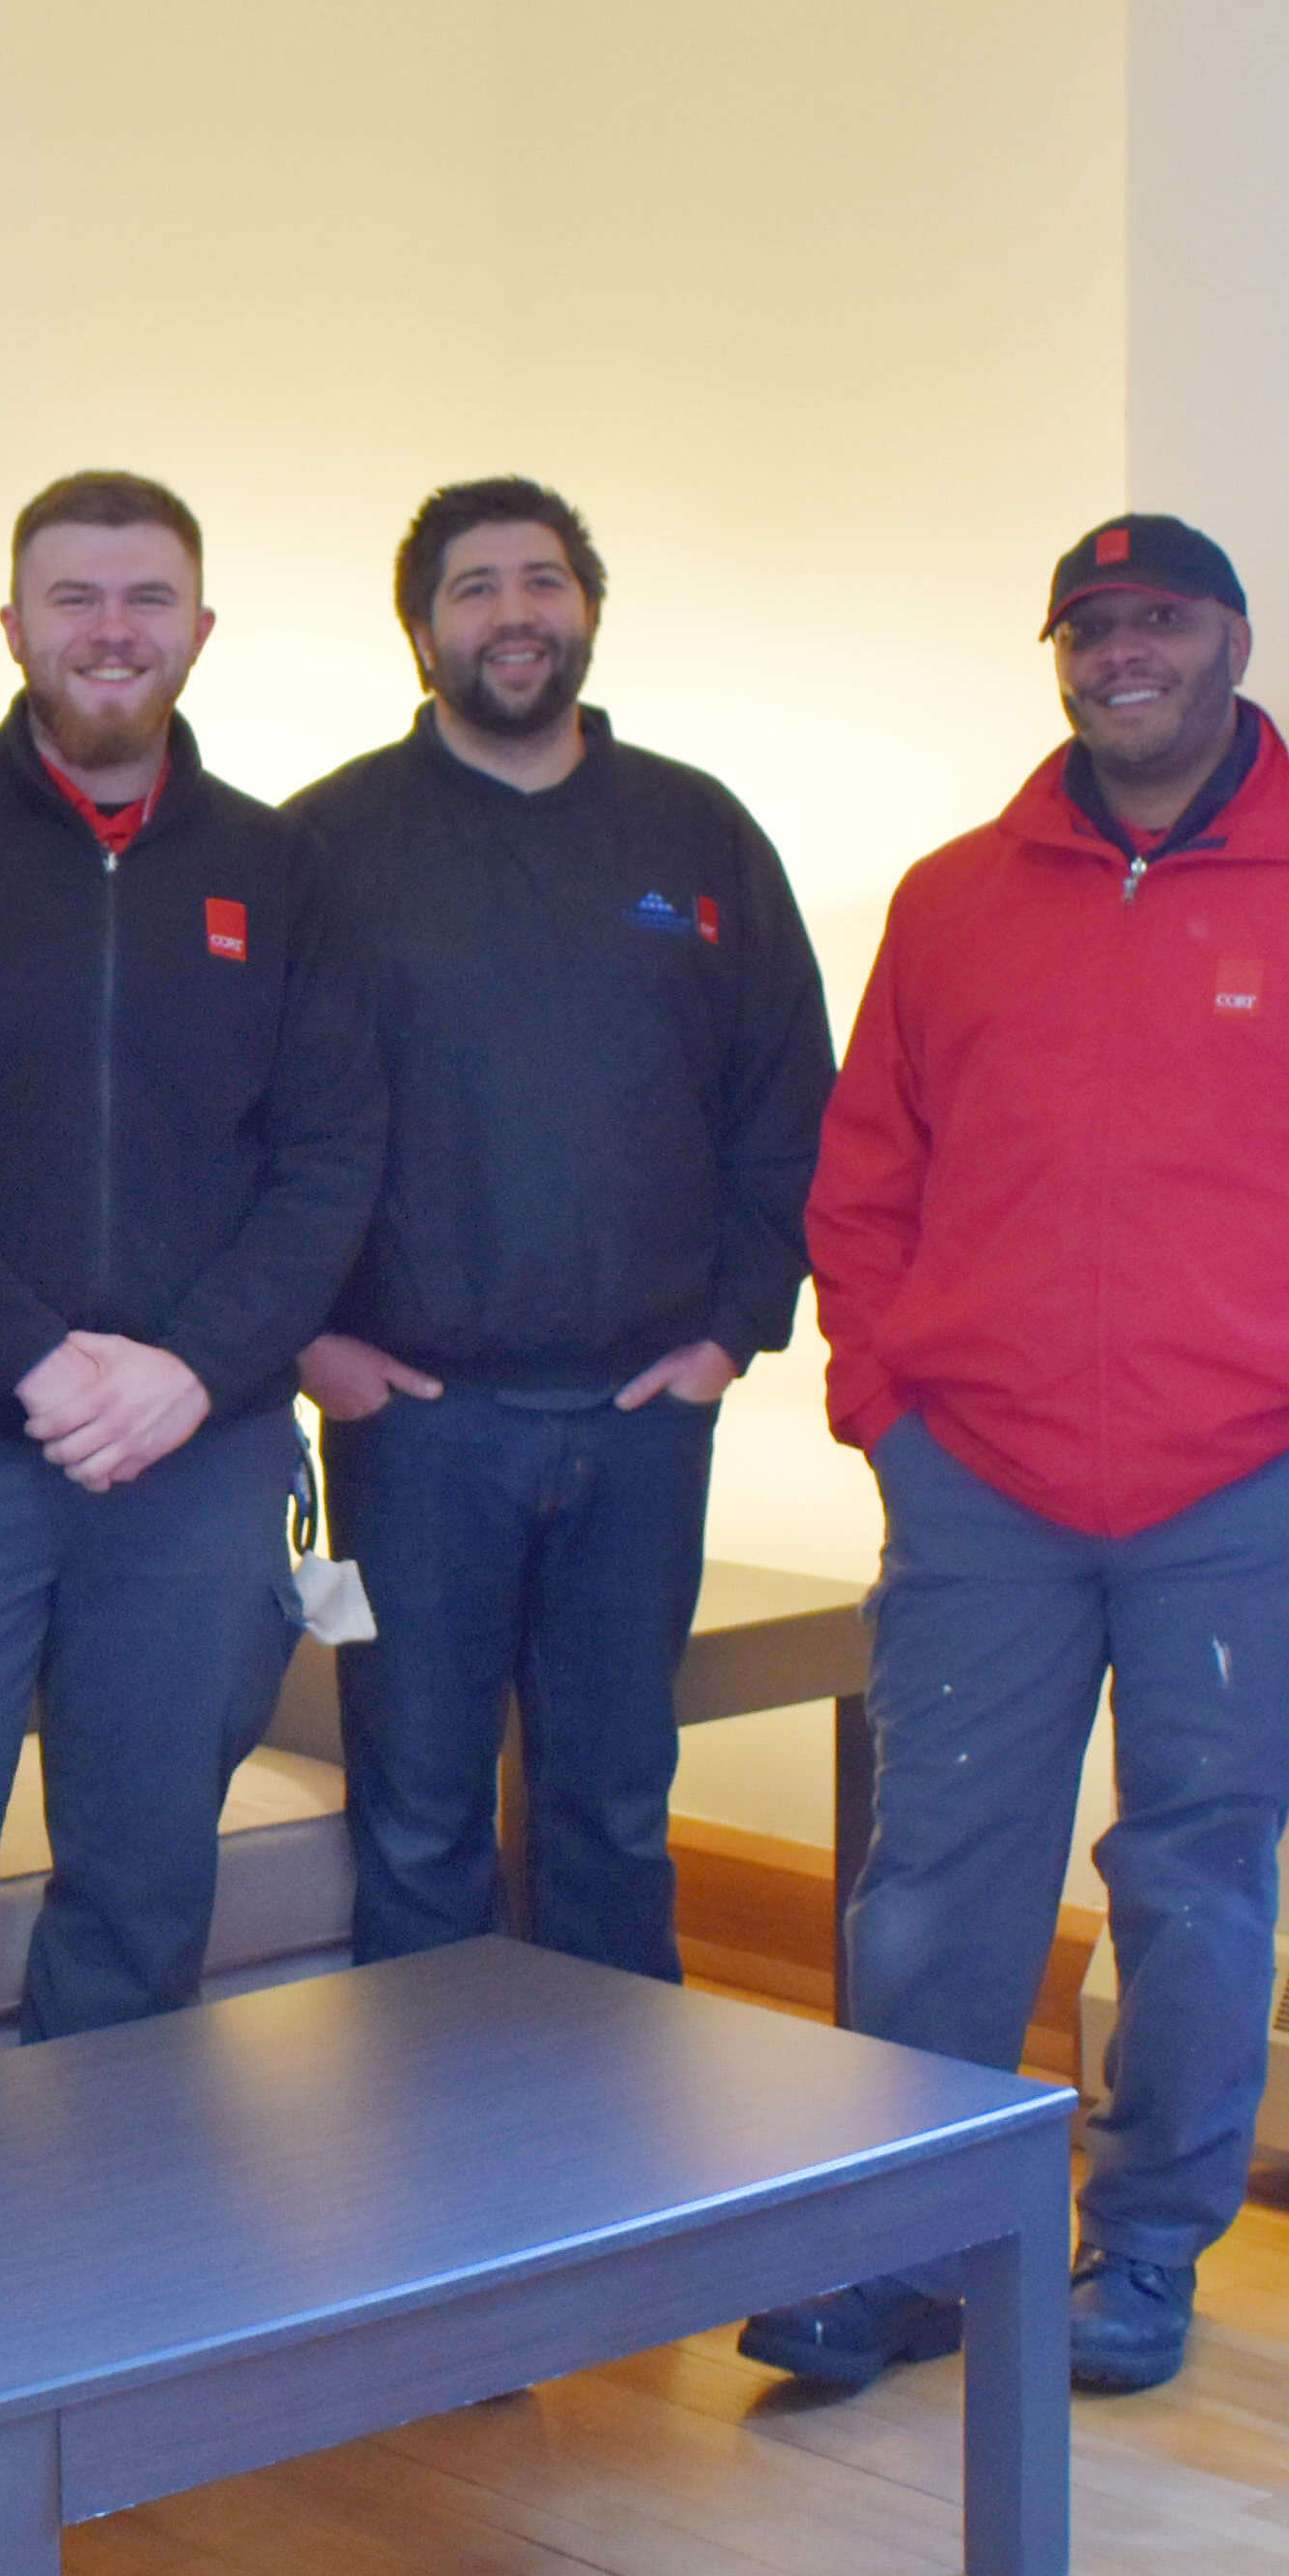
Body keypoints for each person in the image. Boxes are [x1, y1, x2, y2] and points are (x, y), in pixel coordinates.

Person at [749, 514, 1289, 2399]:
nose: (1126, 653)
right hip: (988, 1492)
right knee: (937, 1877)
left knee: (1193, 1881)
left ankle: (1149, 2254)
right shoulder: (953, 902)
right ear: (1060, 654)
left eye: (1161, 621)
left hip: (1250, 1494)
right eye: (1093, 626)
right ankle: (902, 2249)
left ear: (1232, 640)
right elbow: (864, 1176)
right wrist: (888, 1402)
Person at [0, 468, 383, 2095]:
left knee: (142, 1889)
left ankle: (94, 2297)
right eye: (76, 599)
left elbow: (331, 1162)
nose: (113, 633)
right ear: (14, 625)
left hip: (201, 1452)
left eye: (148, 600)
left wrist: (187, 1371)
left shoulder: (282, 867)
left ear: (201, 628)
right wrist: (34, 1362)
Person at [288, 476, 834, 1980]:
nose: (514, 614)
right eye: (474, 587)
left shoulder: (698, 829)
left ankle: (615, 2174)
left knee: (613, 1812)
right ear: (419, 631)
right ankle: (430, 2189)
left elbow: (789, 1097)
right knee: (415, 1818)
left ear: (588, 612)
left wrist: (735, 1330)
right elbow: (245, 1122)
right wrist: (308, 1339)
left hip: (643, 1419)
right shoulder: (324, 845)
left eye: (543, 581)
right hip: (417, 1425)